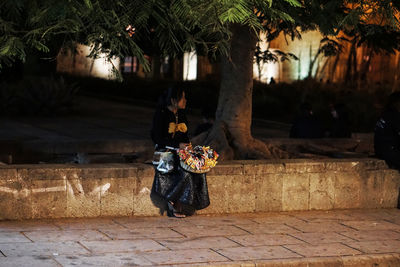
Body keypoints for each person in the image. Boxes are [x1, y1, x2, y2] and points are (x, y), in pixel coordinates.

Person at [150, 86, 210, 218]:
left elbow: (184, 136)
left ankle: (194, 203)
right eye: (182, 98)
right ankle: (174, 203)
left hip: (180, 151)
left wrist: (187, 146)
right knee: (183, 173)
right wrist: (177, 145)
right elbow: (158, 138)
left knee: (198, 169)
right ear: (173, 100)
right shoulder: (161, 113)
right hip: (164, 153)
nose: (185, 101)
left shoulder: (181, 114)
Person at [374, 92, 400, 170]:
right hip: (389, 152)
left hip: (381, 150)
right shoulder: (394, 115)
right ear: (397, 103)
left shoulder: (385, 113)